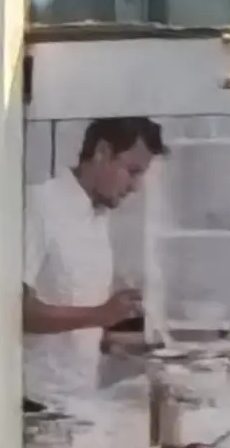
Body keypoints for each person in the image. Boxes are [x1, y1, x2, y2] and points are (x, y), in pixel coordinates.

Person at [23, 116, 168, 410]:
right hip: (34, 403)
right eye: (132, 172)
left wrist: (113, 342)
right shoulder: (38, 206)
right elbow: (17, 312)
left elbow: (74, 311)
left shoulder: (98, 216)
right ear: (102, 152)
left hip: (78, 400)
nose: (136, 186)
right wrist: (100, 315)